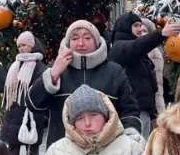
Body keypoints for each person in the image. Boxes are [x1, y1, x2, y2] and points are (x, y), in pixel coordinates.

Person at [28, 20, 141, 148]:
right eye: (75, 38)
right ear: (68, 42)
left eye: (87, 38)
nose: (81, 43)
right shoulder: (57, 69)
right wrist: (52, 75)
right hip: (63, 154)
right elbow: (33, 104)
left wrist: (131, 135)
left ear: (96, 42)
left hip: (107, 153)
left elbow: (130, 109)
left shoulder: (114, 71)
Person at [2, 31, 48, 155]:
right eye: (19, 46)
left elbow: (40, 87)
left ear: (32, 46)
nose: (21, 49)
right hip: (15, 112)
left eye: (24, 45)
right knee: (12, 148)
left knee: (32, 149)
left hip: (32, 112)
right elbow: (8, 86)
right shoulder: (15, 64)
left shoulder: (40, 66)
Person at [107, 12, 172, 119]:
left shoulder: (137, 51)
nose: (140, 29)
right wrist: (161, 33)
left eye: (140, 25)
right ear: (126, 27)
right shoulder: (119, 47)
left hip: (143, 111)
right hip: (132, 113)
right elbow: (136, 46)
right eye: (135, 25)